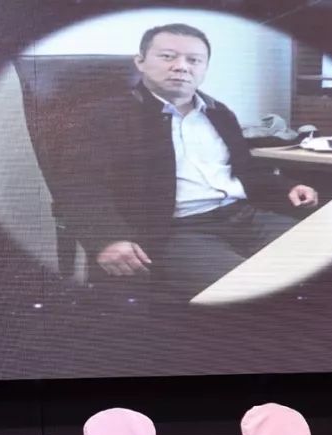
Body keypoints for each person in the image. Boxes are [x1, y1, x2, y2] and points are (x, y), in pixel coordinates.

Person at [74, 23, 319, 300]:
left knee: (325, 255)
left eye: (194, 60)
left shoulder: (218, 113)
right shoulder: (106, 117)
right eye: (168, 57)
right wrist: (107, 237)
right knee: (248, 290)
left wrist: (288, 187)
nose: (181, 67)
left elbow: (246, 169)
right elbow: (79, 185)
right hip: (177, 231)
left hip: (243, 216)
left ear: (204, 68)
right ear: (140, 62)